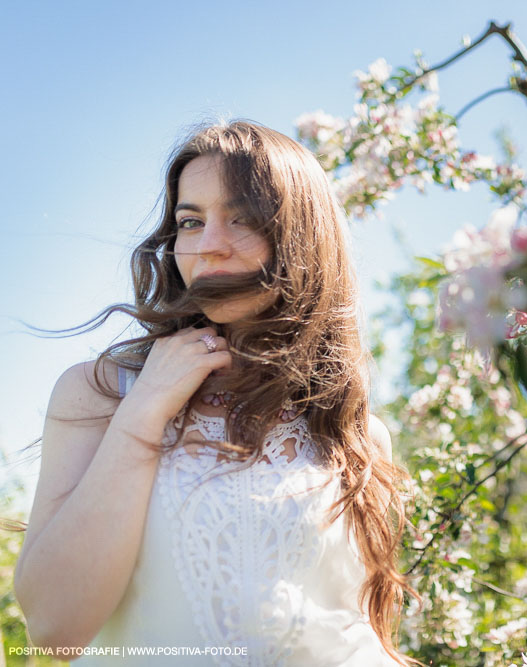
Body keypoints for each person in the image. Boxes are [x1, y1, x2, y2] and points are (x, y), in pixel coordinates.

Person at [12, 120, 416, 665]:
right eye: (190, 221)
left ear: (303, 236)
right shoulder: (100, 393)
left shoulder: (355, 430)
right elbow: (55, 630)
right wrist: (143, 413)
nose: (209, 247)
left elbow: (354, 631)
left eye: (243, 218)